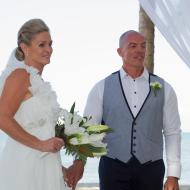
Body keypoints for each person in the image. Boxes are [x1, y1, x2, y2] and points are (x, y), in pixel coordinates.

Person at [84, 30, 181, 190]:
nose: (139, 50)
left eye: (143, 46)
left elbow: (172, 132)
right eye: (133, 46)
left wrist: (173, 175)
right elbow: (89, 130)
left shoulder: (165, 89)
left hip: (151, 170)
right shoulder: (101, 88)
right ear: (120, 51)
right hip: (112, 169)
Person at [0, 18, 83, 190]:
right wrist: (41, 144)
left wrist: (60, 169)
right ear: (25, 47)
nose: (49, 50)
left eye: (50, 44)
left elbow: (42, 130)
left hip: (45, 164)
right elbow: (2, 117)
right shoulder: (20, 76)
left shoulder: (38, 82)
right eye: (42, 45)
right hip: (24, 166)